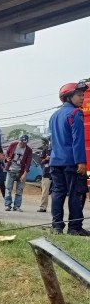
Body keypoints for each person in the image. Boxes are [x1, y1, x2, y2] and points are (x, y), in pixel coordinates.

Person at [48, 81, 88, 236]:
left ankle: (56, 227)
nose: (82, 98)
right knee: (77, 193)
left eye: (83, 95)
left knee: (58, 193)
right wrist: (81, 162)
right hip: (72, 162)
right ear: (68, 97)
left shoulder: (54, 116)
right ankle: (75, 227)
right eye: (79, 95)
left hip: (55, 161)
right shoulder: (75, 113)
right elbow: (78, 140)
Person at [3, 134, 33, 211]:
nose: (23, 144)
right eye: (22, 142)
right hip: (11, 170)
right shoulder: (13, 145)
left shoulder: (29, 150)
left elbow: (28, 163)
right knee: (8, 188)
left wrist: (24, 174)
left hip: (21, 172)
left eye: (25, 143)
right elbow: (6, 154)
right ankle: (8, 205)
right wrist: (7, 159)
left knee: (19, 190)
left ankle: (17, 206)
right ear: (19, 140)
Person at [38, 139, 51, 213]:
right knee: (45, 191)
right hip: (47, 173)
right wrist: (46, 159)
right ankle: (43, 207)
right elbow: (40, 161)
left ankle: (56, 208)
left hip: (57, 172)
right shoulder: (45, 149)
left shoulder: (58, 148)